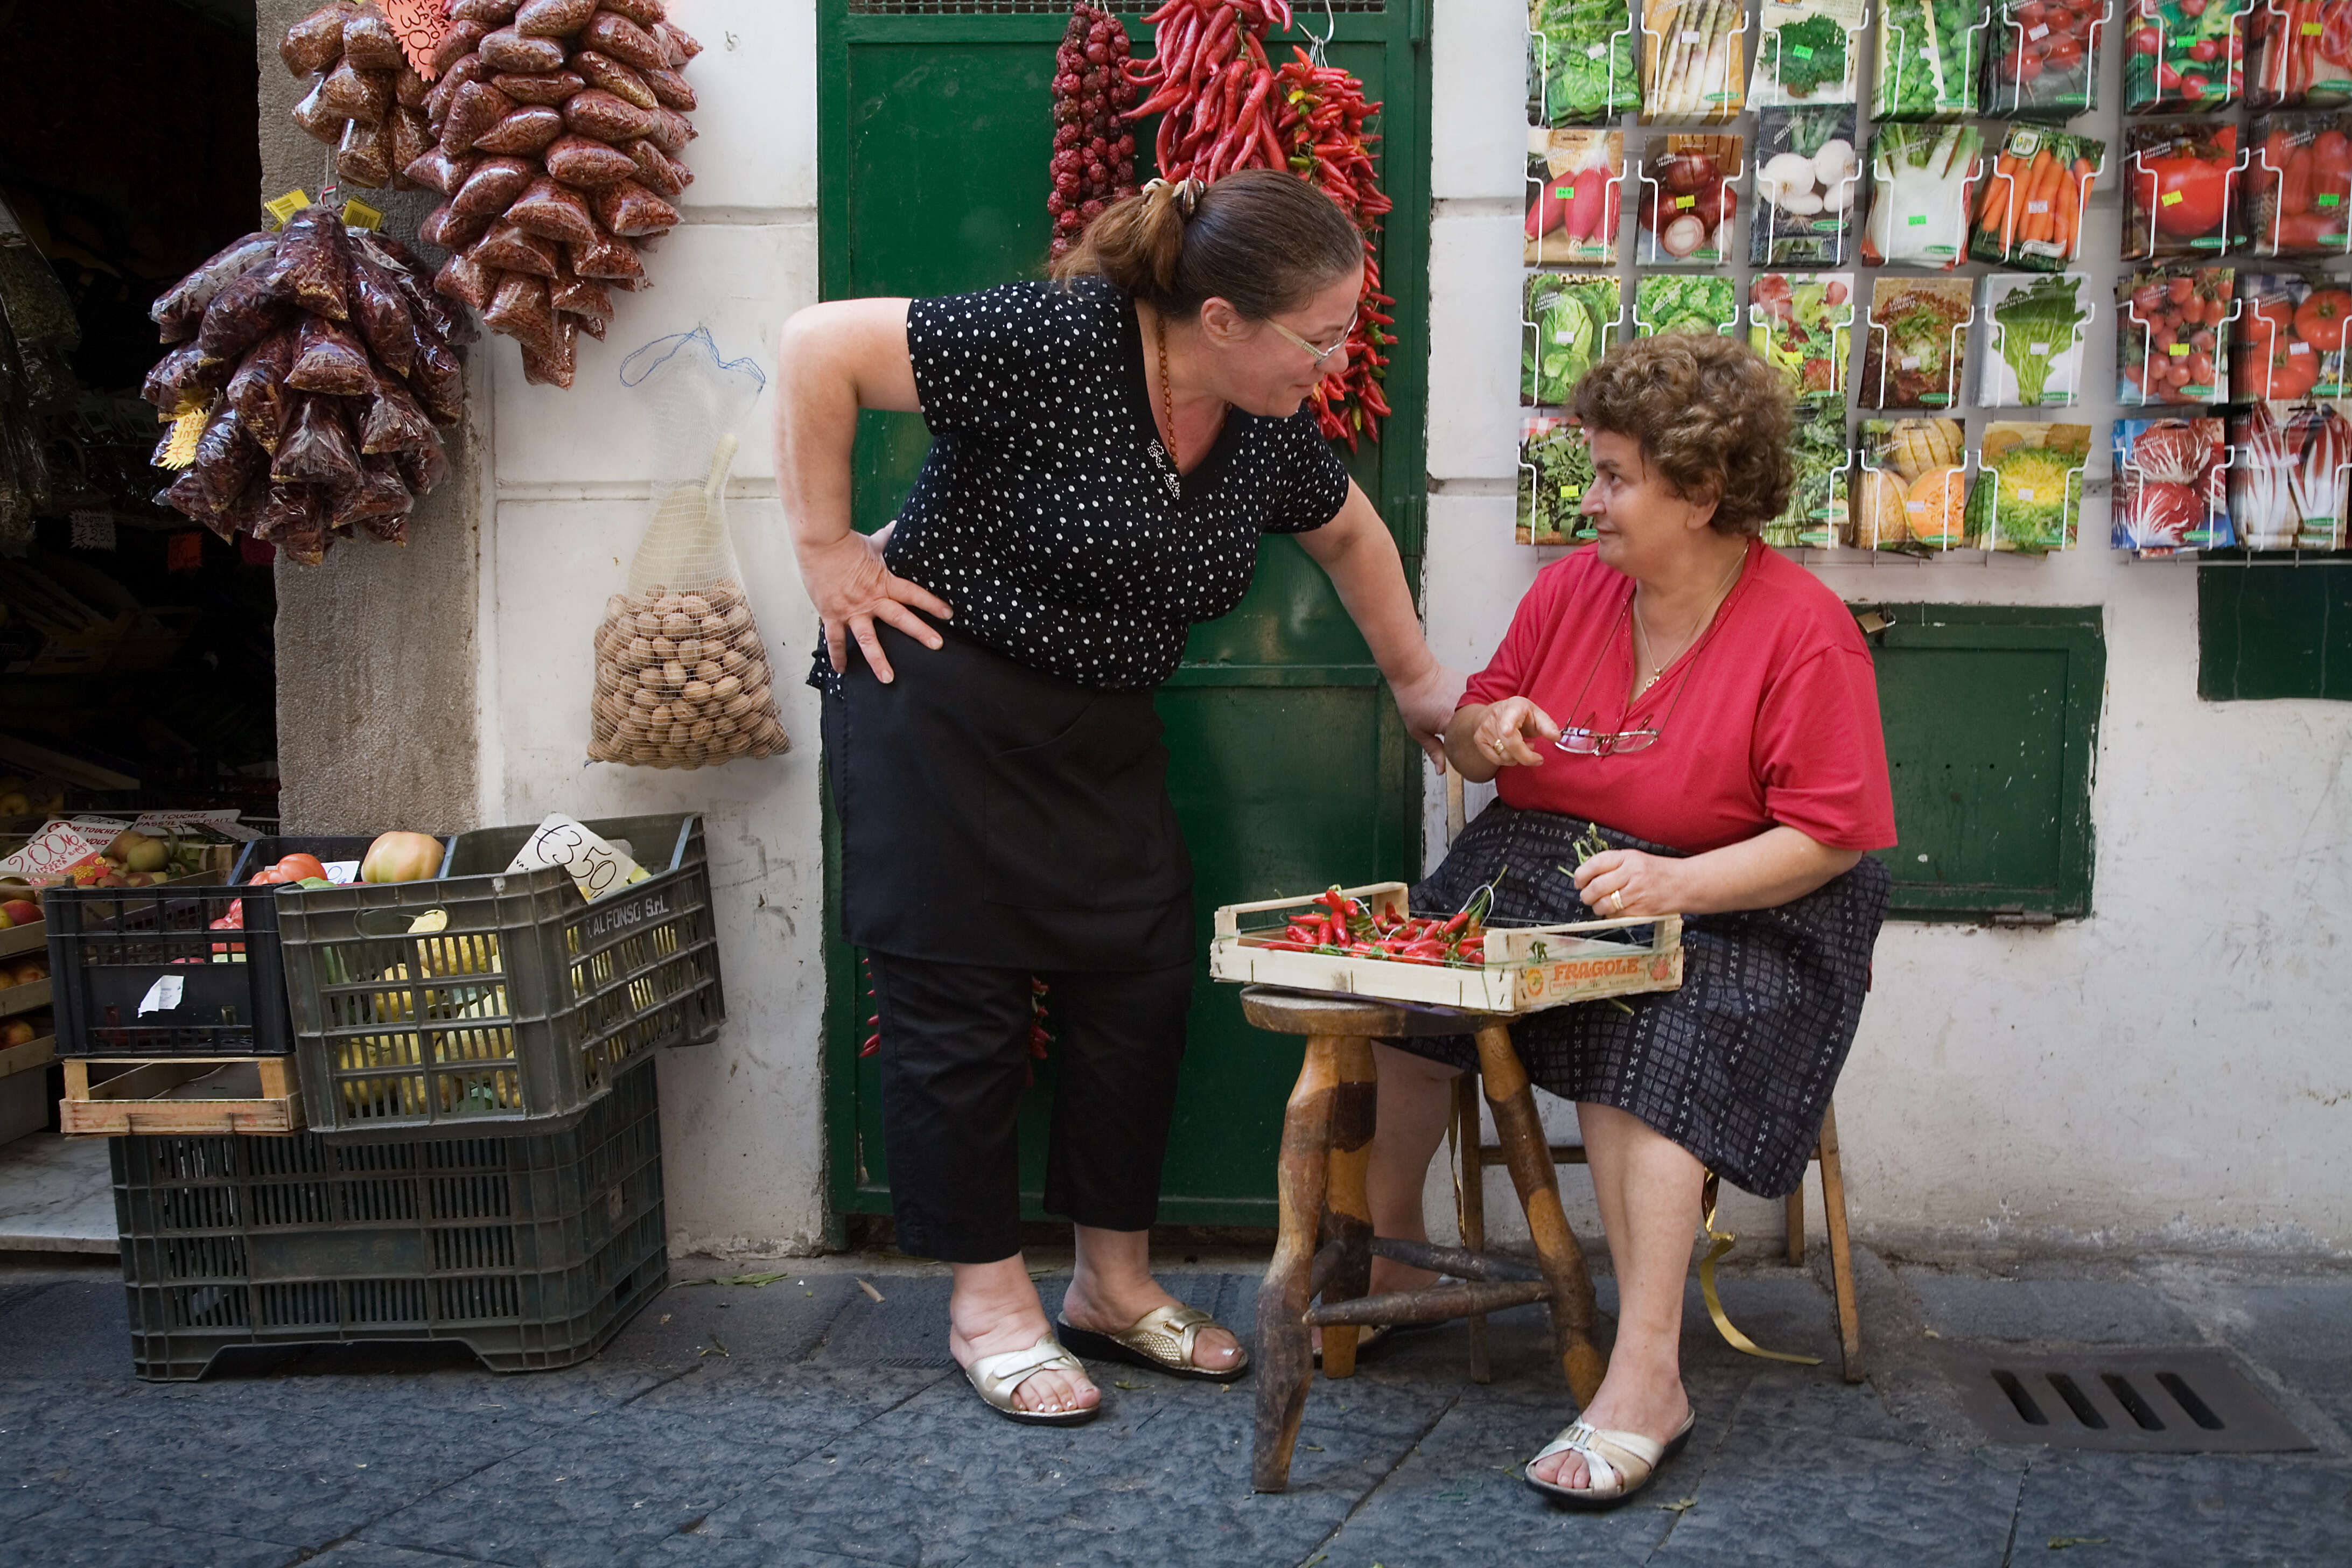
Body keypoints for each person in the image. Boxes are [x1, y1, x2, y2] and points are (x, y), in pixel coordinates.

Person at [773, 172, 1462, 1426]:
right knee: (958, 998)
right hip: (937, 699)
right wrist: (826, 551)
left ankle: (1111, 1282)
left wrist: (1421, 689)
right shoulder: (1056, 340)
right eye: (1318, 334)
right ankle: (988, 1302)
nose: (1335, 357)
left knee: (1138, 985)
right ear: (1218, 318)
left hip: (1097, 728)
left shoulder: (1260, 424)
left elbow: (1354, 534)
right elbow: (816, 349)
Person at [1367, 333, 1895, 1506]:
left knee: (1643, 1029)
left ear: (1701, 493)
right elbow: (1463, 730)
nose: (1588, 500)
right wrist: (1482, 730)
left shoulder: (1803, 630)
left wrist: (1677, 886)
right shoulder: (1571, 592)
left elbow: (1832, 836)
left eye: (1612, 477)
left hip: (1755, 900)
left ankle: (1648, 1377)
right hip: (1549, 863)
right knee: (1417, 975)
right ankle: (1393, 1262)